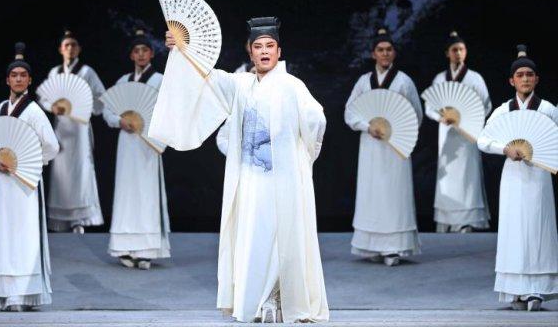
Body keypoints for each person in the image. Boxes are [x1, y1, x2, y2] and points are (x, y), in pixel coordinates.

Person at [149, 17, 328, 323]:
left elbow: (316, 121)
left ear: (279, 51)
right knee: (253, 238)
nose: (264, 51)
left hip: (283, 179)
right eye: (258, 46)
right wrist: (182, 49)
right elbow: (206, 76)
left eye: (270, 46)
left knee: (281, 237)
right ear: (250, 52)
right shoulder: (241, 84)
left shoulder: (292, 86)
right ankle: (256, 300)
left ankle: (278, 298)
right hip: (250, 180)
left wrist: (298, 159)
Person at [0, 43, 59, 311]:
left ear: (30, 80)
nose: (19, 79)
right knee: (5, 233)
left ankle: (24, 295)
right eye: (14, 75)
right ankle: (5, 294)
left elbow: (52, 146)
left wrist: (31, 164)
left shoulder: (34, 112)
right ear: (7, 80)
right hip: (3, 182)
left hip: (26, 184)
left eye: (23, 75)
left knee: (26, 234)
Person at [478, 45, 558, 311]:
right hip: (512, 177)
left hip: (539, 176)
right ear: (511, 81)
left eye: (529, 74)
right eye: (520, 75)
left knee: (537, 228)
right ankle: (515, 288)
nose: (525, 79)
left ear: (537, 79)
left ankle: (535, 289)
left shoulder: (547, 110)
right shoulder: (504, 111)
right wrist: (504, 149)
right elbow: (482, 139)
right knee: (513, 229)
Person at [344, 28, 423, 266]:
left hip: (396, 146)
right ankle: (371, 245)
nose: (385, 53)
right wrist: (367, 126)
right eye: (380, 50)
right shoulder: (363, 82)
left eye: (389, 50)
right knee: (371, 193)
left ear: (394, 53)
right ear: (373, 54)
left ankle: (394, 248)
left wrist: (399, 130)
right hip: (371, 146)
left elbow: (416, 114)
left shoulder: (404, 81)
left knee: (395, 194)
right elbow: (350, 111)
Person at [103, 29, 171, 269]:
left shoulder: (159, 80)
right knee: (126, 194)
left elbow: (168, 111)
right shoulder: (124, 82)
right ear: (132, 55)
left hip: (147, 143)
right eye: (136, 51)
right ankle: (125, 248)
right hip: (127, 143)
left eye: (145, 50)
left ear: (151, 54)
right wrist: (119, 121)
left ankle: (146, 250)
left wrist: (153, 129)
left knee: (146, 194)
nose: (141, 54)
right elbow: (107, 110)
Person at [425, 31, 492, 233]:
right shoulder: (440, 79)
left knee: (468, 176)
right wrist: (440, 117)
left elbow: (486, 105)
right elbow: (429, 106)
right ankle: (447, 220)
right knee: (447, 177)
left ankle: (468, 221)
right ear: (447, 53)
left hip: (467, 134)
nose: (459, 53)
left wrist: (469, 119)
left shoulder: (474, 78)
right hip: (447, 135)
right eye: (454, 50)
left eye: (462, 49)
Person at [40, 30, 105, 233]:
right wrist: (52, 107)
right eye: (66, 45)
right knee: (61, 172)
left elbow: (101, 97)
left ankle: (80, 220)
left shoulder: (87, 72)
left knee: (81, 170)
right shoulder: (55, 72)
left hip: (80, 128)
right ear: (61, 49)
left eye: (73, 45)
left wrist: (86, 106)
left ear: (79, 49)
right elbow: (43, 98)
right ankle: (61, 219)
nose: (70, 48)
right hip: (61, 128)